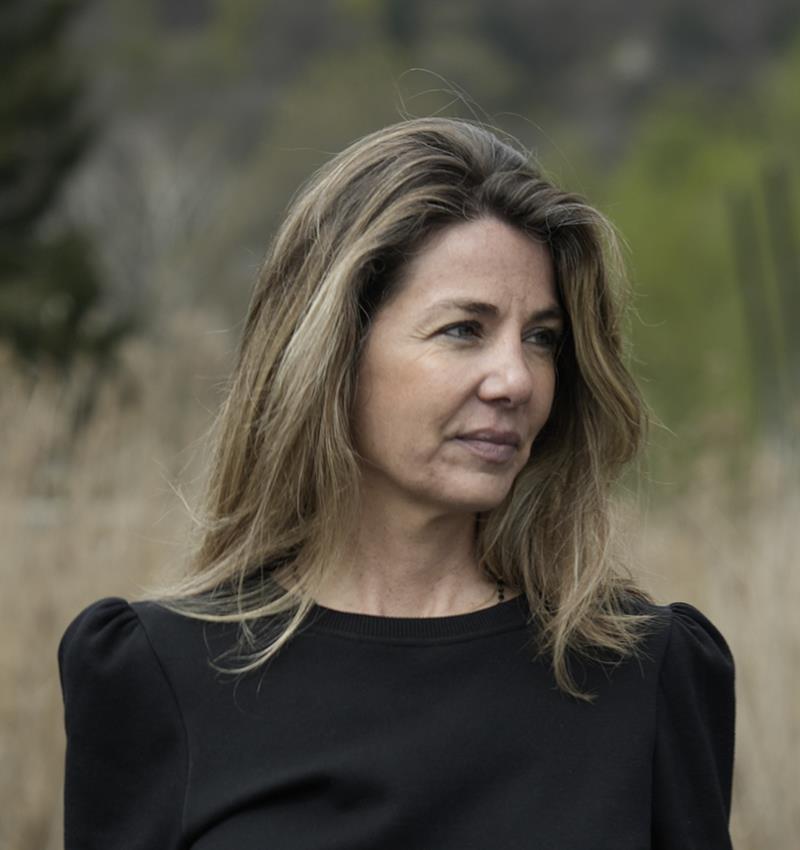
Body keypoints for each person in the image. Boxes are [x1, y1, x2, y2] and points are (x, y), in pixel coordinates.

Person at [58, 117, 736, 849]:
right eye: (464, 329)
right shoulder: (157, 674)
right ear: (334, 350)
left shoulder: (643, 675)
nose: (516, 379)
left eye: (541, 338)